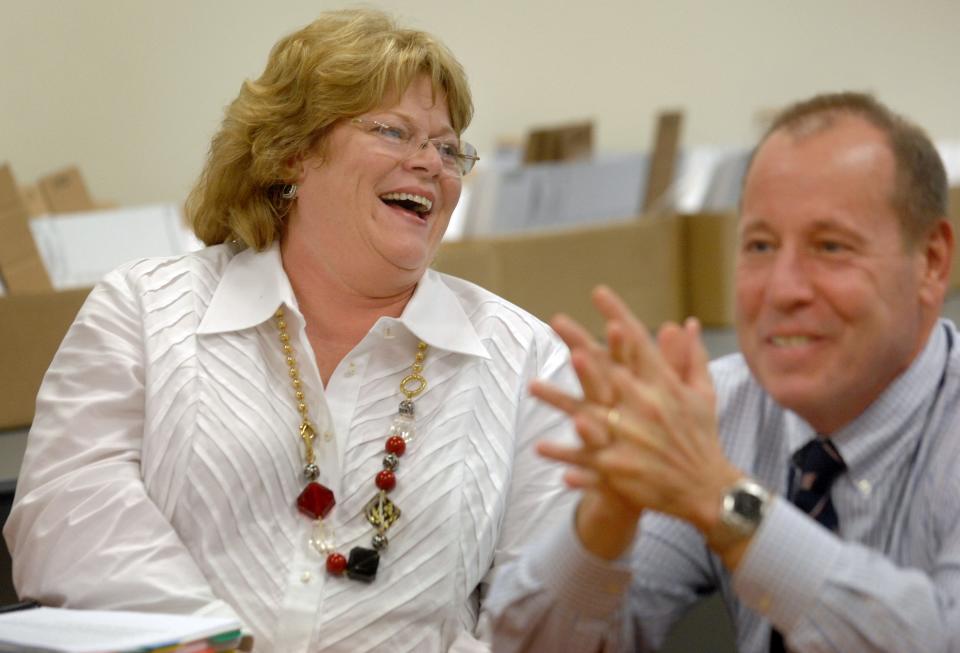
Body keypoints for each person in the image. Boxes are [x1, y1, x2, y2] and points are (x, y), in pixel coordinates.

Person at [3, 9, 578, 652]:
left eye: (447, 148)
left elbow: (545, 616)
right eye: (394, 132)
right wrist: (214, 641)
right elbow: (65, 516)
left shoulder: (528, 360)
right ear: (291, 155)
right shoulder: (144, 311)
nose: (431, 166)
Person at [485, 92, 960, 652]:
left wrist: (726, 502)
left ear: (931, 263)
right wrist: (609, 513)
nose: (783, 289)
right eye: (759, 245)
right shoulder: (720, 407)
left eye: (831, 247)